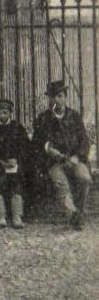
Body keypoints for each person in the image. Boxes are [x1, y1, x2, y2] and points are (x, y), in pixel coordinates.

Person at [33, 79, 92, 230]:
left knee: (84, 178)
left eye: (59, 96)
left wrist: (77, 157)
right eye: (52, 97)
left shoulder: (74, 116)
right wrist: (47, 148)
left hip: (74, 159)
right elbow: (36, 143)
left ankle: (79, 212)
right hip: (54, 162)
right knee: (61, 184)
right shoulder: (43, 118)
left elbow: (84, 140)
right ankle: (72, 214)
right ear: (49, 99)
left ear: (65, 97)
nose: (56, 100)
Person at [0, 97, 30, 228]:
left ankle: (17, 216)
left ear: (10, 113)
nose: (2, 115)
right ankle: (0, 216)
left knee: (16, 184)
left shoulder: (18, 128)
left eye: (5, 112)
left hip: (15, 165)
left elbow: (25, 148)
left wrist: (16, 160)